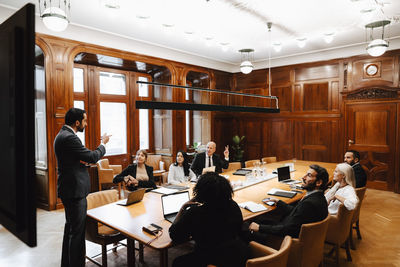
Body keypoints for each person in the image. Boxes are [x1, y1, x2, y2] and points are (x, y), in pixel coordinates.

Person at [54, 108, 110, 267]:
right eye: (84, 121)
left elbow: (75, 160)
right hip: (74, 191)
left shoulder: (62, 135)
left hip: (69, 189)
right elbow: (92, 156)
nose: (86, 123)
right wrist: (103, 144)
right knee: (77, 234)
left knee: (70, 230)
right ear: (77, 122)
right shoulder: (70, 138)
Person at [169, 172, 248, 267]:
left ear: (200, 192)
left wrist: (182, 209)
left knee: (177, 262)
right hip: (238, 255)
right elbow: (239, 229)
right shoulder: (233, 205)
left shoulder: (195, 212)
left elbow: (175, 235)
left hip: (212, 258)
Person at [247, 165, 329, 242]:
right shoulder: (319, 197)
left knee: (245, 229)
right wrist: (279, 202)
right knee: (261, 219)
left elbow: (288, 230)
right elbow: (297, 212)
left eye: (309, 175)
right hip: (293, 231)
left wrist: (259, 228)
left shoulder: (309, 204)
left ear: (318, 183)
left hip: (284, 240)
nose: (303, 177)